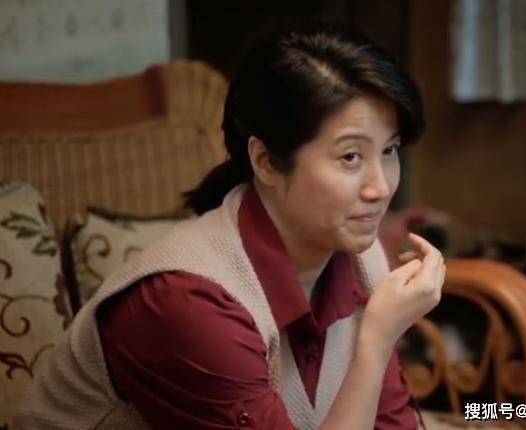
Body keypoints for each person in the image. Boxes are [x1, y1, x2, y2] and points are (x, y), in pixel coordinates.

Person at [15, 22, 445, 430]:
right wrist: (375, 343)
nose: (380, 187)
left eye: (389, 151)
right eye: (350, 157)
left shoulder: (358, 252)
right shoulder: (189, 302)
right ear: (265, 161)